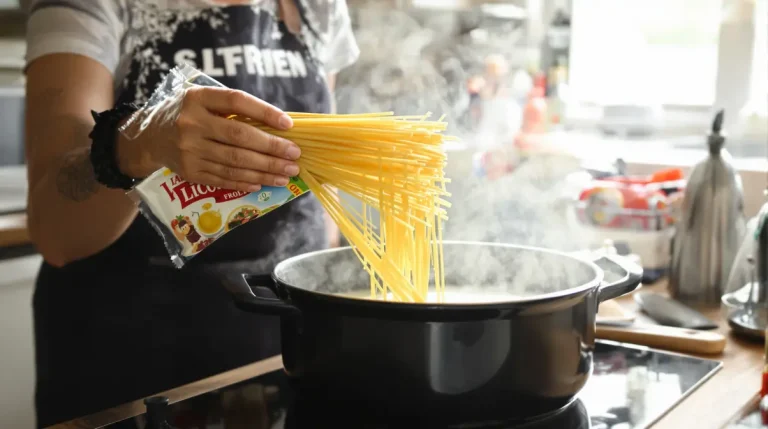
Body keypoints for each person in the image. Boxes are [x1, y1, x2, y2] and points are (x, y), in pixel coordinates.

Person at [22, 0, 359, 426]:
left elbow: (319, 193)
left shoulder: (318, 6)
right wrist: (138, 146)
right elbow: (55, 230)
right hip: (130, 368)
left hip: (287, 351)